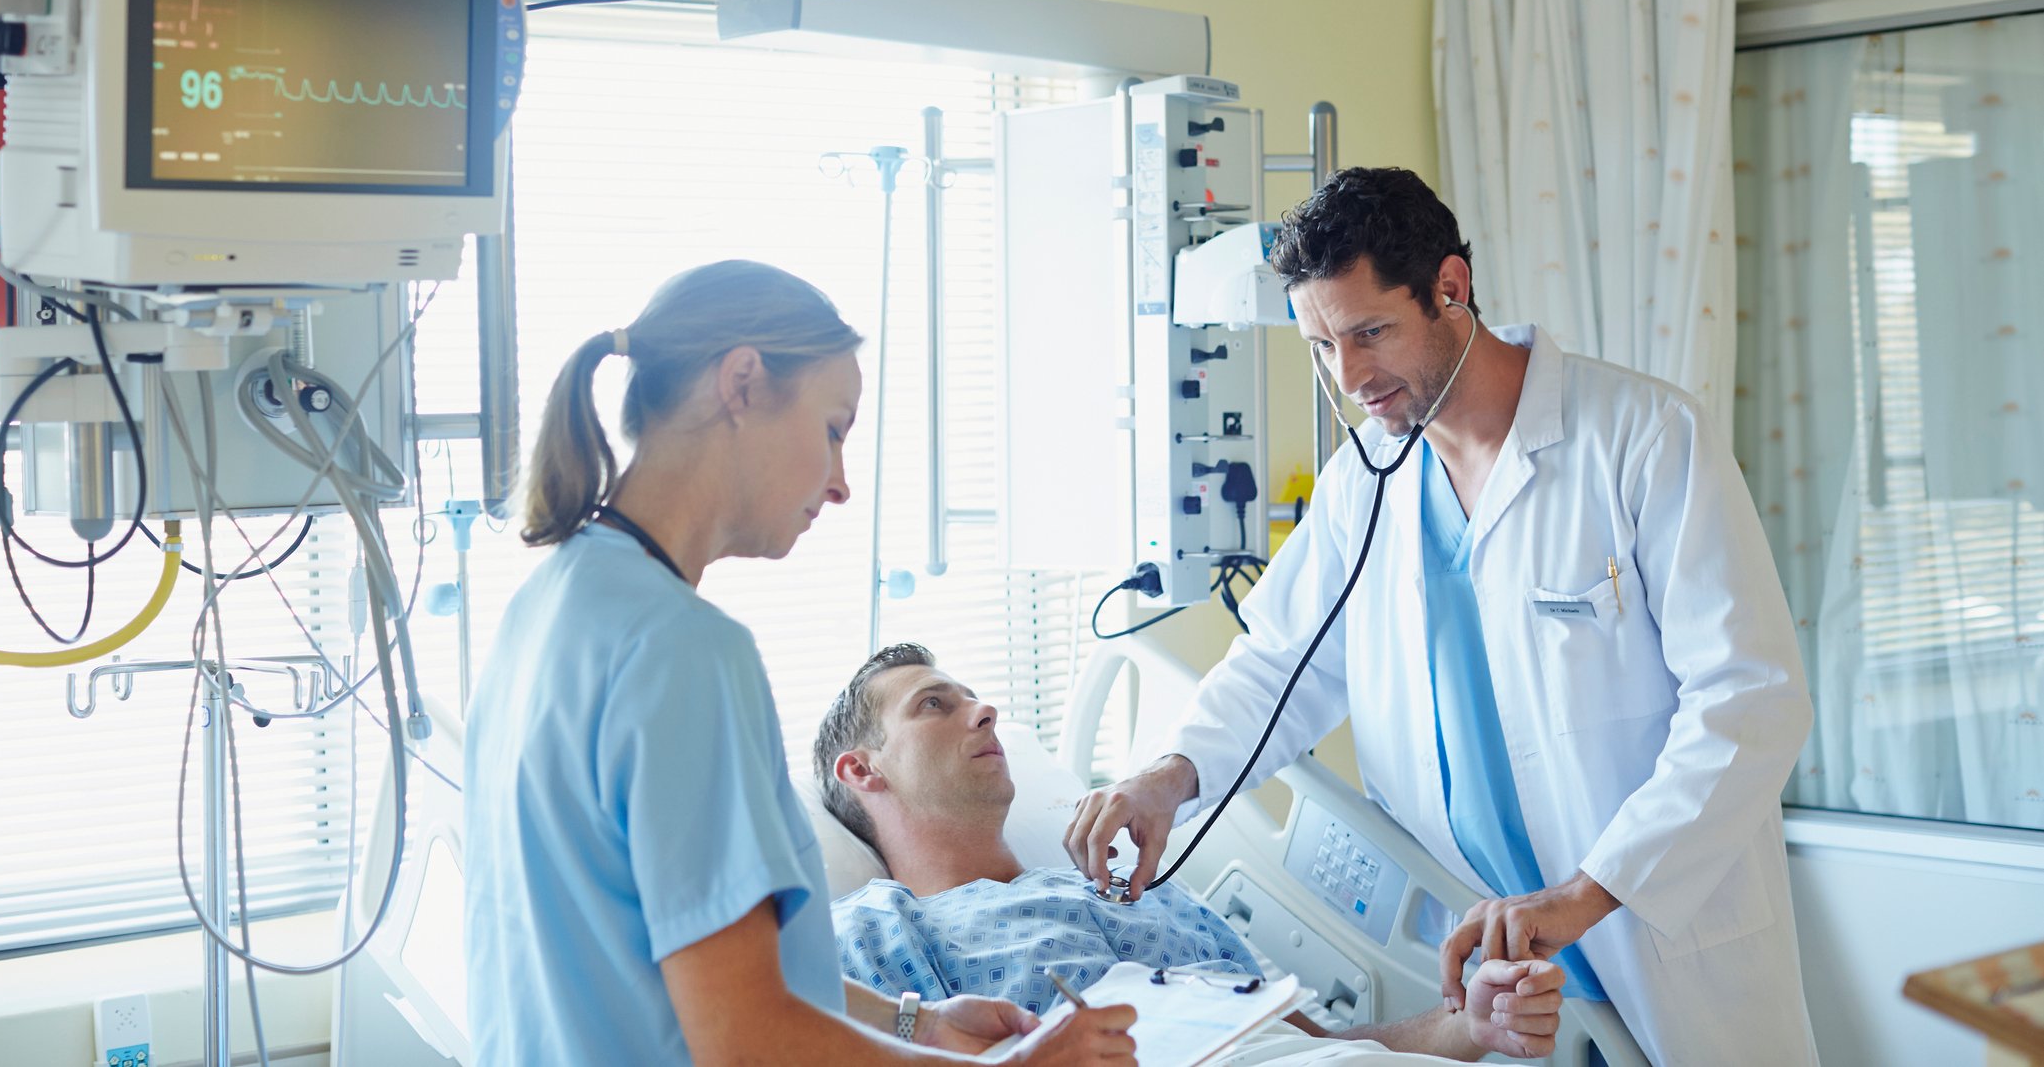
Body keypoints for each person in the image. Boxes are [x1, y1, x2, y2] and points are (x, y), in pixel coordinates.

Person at [1063, 169, 1820, 1066]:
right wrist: (1168, 776)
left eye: (1369, 333)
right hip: (1480, 965)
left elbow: (1749, 700)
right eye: (1319, 347)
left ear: (1450, 290)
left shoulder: (1643, 440)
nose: (1347, 378)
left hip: (1648, 925)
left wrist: (1583, 894)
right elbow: (1280, 665)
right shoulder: (1363, 484)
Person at [464, 261, 1135, 1066]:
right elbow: (743, 1039)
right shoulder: (682, 649)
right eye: (832, 429)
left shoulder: (542, 611)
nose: (843, 482)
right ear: (742, 383)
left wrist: (916, 1022)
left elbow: (701, 965)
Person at [815, 644, 1565, 1062]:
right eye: (934, 705)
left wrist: (1468, 1026)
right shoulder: (870, 935)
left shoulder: (1132, 889)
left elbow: (1306, 1047)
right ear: (862, 769)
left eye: (970, 694)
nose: (984, 710)